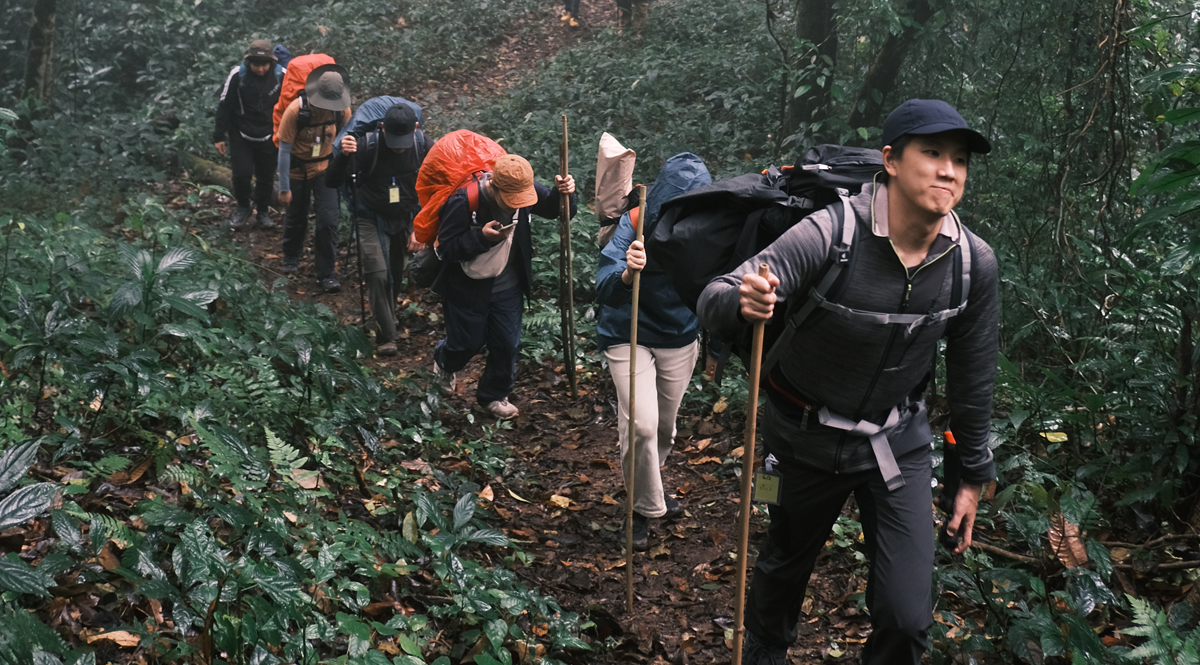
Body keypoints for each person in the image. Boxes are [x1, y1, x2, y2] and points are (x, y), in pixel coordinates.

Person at [697, 99, 999, 665]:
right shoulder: (829, 234)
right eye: (931, 153)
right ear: (890, 160)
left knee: (908, 620)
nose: (948, 170)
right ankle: (765, 647)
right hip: (802, 436)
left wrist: (970, 476)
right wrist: (741, 300)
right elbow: (714, 295)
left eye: (959, 160)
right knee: (785, 561)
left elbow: (972, 375)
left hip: (896, 443)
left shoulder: (971, 264)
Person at [595, 153, 711, 551]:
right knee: (641, 426)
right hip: (627, 332)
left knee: (663, 428)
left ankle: (650, 485)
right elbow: (604, 285)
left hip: (680, 335)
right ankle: (643, 509)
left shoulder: (711, 227)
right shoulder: (635, 221)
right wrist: (628, 272)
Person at [431, 155, 576, 420]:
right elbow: (445, 247)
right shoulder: (465, 201)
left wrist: (564, 193)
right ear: (495, 188)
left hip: (508, 285)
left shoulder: (527, 190)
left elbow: (558, 210)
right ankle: (444, 359)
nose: (518, 205)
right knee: (466, 343)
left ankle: (493, 395)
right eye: (511, 200)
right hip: (467, 287)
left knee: (507, 344)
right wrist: (480, 238)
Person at [327, 102, 430, 356]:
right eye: (394, 139)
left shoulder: (423, 146)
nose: (398, 147)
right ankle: (387, 337)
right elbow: (332, 181)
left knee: (396, 272)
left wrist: (421, 227)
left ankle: (388, 316)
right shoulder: (366, 146)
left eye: (403, 140)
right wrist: (343, 155)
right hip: (370, 216)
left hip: (405, 216)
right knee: (378, 272)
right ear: (382, 127)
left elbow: (435, 188)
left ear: (415, 128)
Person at [276, 64, 352, 293]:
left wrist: (345, 176)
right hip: (297, 170)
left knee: (328, 221)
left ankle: (327, 273)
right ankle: (291, 255)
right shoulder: (295, 111)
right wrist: (284, 188)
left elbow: (344, 144)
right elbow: (284, 150)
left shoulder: (342, 111)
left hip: (324, 168)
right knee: (296, 216)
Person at [213, 39, 282, 230]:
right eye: (256, 65)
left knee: (266, 176)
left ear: (272, 62)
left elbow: (289, 105)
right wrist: (219, 136)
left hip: (269, 134)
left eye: (264, 64)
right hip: (241, 133)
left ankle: (262, 211)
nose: (260, 69)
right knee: (241, 175)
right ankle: (243, 207)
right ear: (248, 61)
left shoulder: (280, 75)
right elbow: (225, 105)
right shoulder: (238, 75)